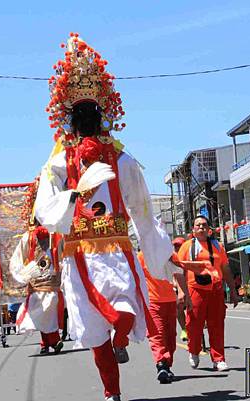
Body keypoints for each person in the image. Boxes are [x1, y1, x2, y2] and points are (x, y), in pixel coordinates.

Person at [34, 35, 205, 401]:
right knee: (123, 304)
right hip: (116, 251)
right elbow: (144, 213)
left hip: (80, 253)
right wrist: (162, 255)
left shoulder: (57, 163)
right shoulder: (124, 162)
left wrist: (71, 200)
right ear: (103, 118)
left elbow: (46, 213)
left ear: (70, 123)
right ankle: (123, 333)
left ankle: (112, 392)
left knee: (94, 328)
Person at [177, 216, 239, 372]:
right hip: (195, 289)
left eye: (204, 225)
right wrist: (181, 292)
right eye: (198, 225)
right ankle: (193, 351)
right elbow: (178, 270)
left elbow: (225, 269)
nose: (201, 228)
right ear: (193, 230)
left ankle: (219, 359)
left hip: (216, 289)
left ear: (209, 229)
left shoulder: (218, 246)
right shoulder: (186, 247)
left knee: (217, 325)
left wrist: (232, 290)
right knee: (193, 325)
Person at [138, 239, 190, 384]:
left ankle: (166, 365)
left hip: (170, 301)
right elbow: (136, 278)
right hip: (152, 302)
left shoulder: (170, 255)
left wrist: (181, 292)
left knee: (170, 337)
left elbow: (179, 274)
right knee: (157, 334)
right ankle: (161, 363)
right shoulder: (142, 256)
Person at [10, 222, 64, 355]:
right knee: (41, 313)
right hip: (37, 282)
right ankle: (49, 342)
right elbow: (18, 257)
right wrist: (23, 274)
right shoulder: (28, 237)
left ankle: (49, 342)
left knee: (49, 312)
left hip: (52, 281)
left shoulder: (56, 234)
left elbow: (64, 252)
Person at [172, 238, 188, 342]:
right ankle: (184, 329)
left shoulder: (189, 257)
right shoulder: (172, 259)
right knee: (178, 308)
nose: (178, 248)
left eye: (180, 246)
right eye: (176, 246)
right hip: (178, 287)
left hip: (191, 286)